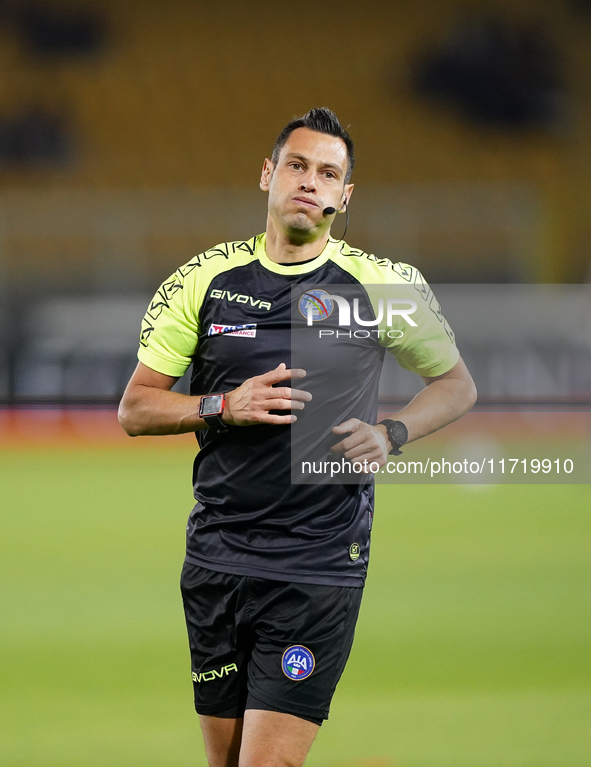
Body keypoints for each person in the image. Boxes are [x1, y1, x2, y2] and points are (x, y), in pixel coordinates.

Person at [118, 107, 476, 767]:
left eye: (327, 173)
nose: (310, 182)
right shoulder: (204, 280)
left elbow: (455, 384)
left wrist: (392, 431)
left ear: (345, 195)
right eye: (297, 165)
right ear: (268, 174)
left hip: (316, 563)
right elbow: (135, 409)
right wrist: (224, 403)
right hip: (216, 558)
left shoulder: (380, 284)